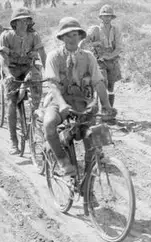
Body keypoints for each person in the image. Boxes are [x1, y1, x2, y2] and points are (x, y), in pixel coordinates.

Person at [42, 17, 114, 175]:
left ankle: (91, 171)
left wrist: (107, 105)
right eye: (68, 35)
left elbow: (99, 83)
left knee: (96, 137)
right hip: (59, 100)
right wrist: (61, 105)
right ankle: (62, 160)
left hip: (82, 101)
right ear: (61, 38)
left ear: (81, 36)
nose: (72, 39)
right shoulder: (54, 56)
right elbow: (52, 85)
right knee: (48, 124)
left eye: (75, 35)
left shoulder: (88, 56)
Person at [0, 8, 46, 154]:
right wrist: (7, 74)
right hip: (11, 70)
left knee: (37, 82)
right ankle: (13, 141)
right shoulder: (6, 36)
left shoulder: (34, 36)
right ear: (15, 22)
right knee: (11, 103)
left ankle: (35, 123)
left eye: (27, 20)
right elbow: (2, 58)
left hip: (27, 68)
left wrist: (49, 72)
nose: (25, 23)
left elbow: (43, 54)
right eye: (22, 20)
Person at [80, 4, 122, 116]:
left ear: (112, 18)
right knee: (101, 83)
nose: (107, 18)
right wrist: (96, 44)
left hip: (112, 62)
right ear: (101, 17)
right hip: (99, 62)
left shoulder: (115, 30)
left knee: (111, 87)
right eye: (105, 16)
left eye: (109, 16)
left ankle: (108, 111)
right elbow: (82, 44)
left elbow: (119, 48)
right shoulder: (95, 30)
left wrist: (110, 56)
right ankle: (99, 109)